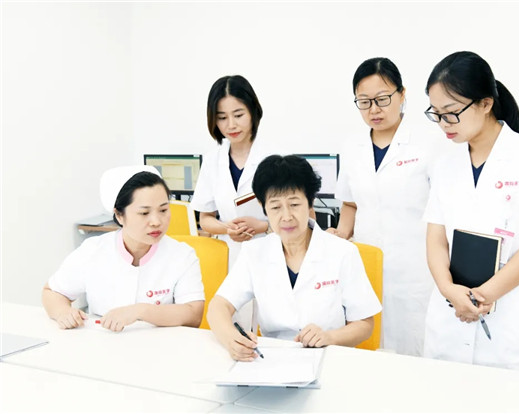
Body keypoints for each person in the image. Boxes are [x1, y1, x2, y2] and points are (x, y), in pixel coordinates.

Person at [422, 51, 519, 373]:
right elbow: (436, 239)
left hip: (511, 324)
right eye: (436, 114)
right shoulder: (445, 165)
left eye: (451, 113)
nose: (443, 124)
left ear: (485, 103)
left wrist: (483, 296)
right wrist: (449, 290)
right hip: (450, 316)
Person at [207, 155, 382, 361]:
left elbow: (364, 324)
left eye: (295, 204)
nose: (287, 216)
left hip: (328, 356)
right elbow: (218, 306)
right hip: (272, 359)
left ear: (310, 203)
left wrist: (330, 337)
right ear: (264, 208)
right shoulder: (254, 252)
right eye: (275, 207)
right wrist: (231, 339)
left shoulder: (343, 252)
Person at [329, 57, 433, 356]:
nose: (374, 109)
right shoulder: (352, 146)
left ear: (402, 94)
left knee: (414, 351)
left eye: (382, 99)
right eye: (364, 102)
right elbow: (350, 203)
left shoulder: (427, 143)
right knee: (369, 349)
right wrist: (339, 235)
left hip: (415, 271)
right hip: (366, 266)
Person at [42, 166, 205, 332]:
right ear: (119, 215)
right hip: (104, 341)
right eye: (144, 213)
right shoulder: (93, 251)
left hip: (161, 344)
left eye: (163, 210)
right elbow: (52, 292)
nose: (156, 221)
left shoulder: (182, 256)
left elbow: (193, 315)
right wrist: (63, 312)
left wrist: (141, 311)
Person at [191, 75, 272, 264]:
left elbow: (304, 218)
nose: (231, 125)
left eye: (238, 115)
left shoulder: (276, 158)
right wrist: (228, 228)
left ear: (253, 111)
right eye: (222, 118)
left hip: (270, 253)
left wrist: (262, 226)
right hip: (229, 257)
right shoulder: (212, 160)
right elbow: (205, 218)